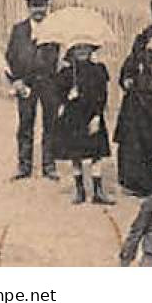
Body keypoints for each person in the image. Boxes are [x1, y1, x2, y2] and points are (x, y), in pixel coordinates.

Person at [5, 0, 61, 180]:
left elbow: (63, 57)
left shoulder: (56, 29)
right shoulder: (19, 30)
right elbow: (9, 57)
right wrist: (15, 81)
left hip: (49, 83)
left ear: (47, 6)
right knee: (25, 123)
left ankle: (49, 165)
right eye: (34, 5)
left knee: (51, 125)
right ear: (28, 7)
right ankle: (24, 165)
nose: (38, 10)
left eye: (41, 5)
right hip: (26, 84)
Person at [52, 41, 115, 205]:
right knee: (76, 154)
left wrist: (97, 116)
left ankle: (98, 191)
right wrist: (68, 96)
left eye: (85, 48)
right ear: (71, 52)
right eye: (77, 49)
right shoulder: (66, 73)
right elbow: (57, 94)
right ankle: (80, 190)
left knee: (96, 154)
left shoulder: (98, 70)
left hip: (92, 115)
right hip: (73, 117)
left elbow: (103, 95)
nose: (81, 52)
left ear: (91, 50)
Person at [115, 32, 152, 196]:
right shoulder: (139, 55)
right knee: (134, 145)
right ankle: (133, 183)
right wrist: (127, 79)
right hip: (137, 108)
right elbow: (127, 72)